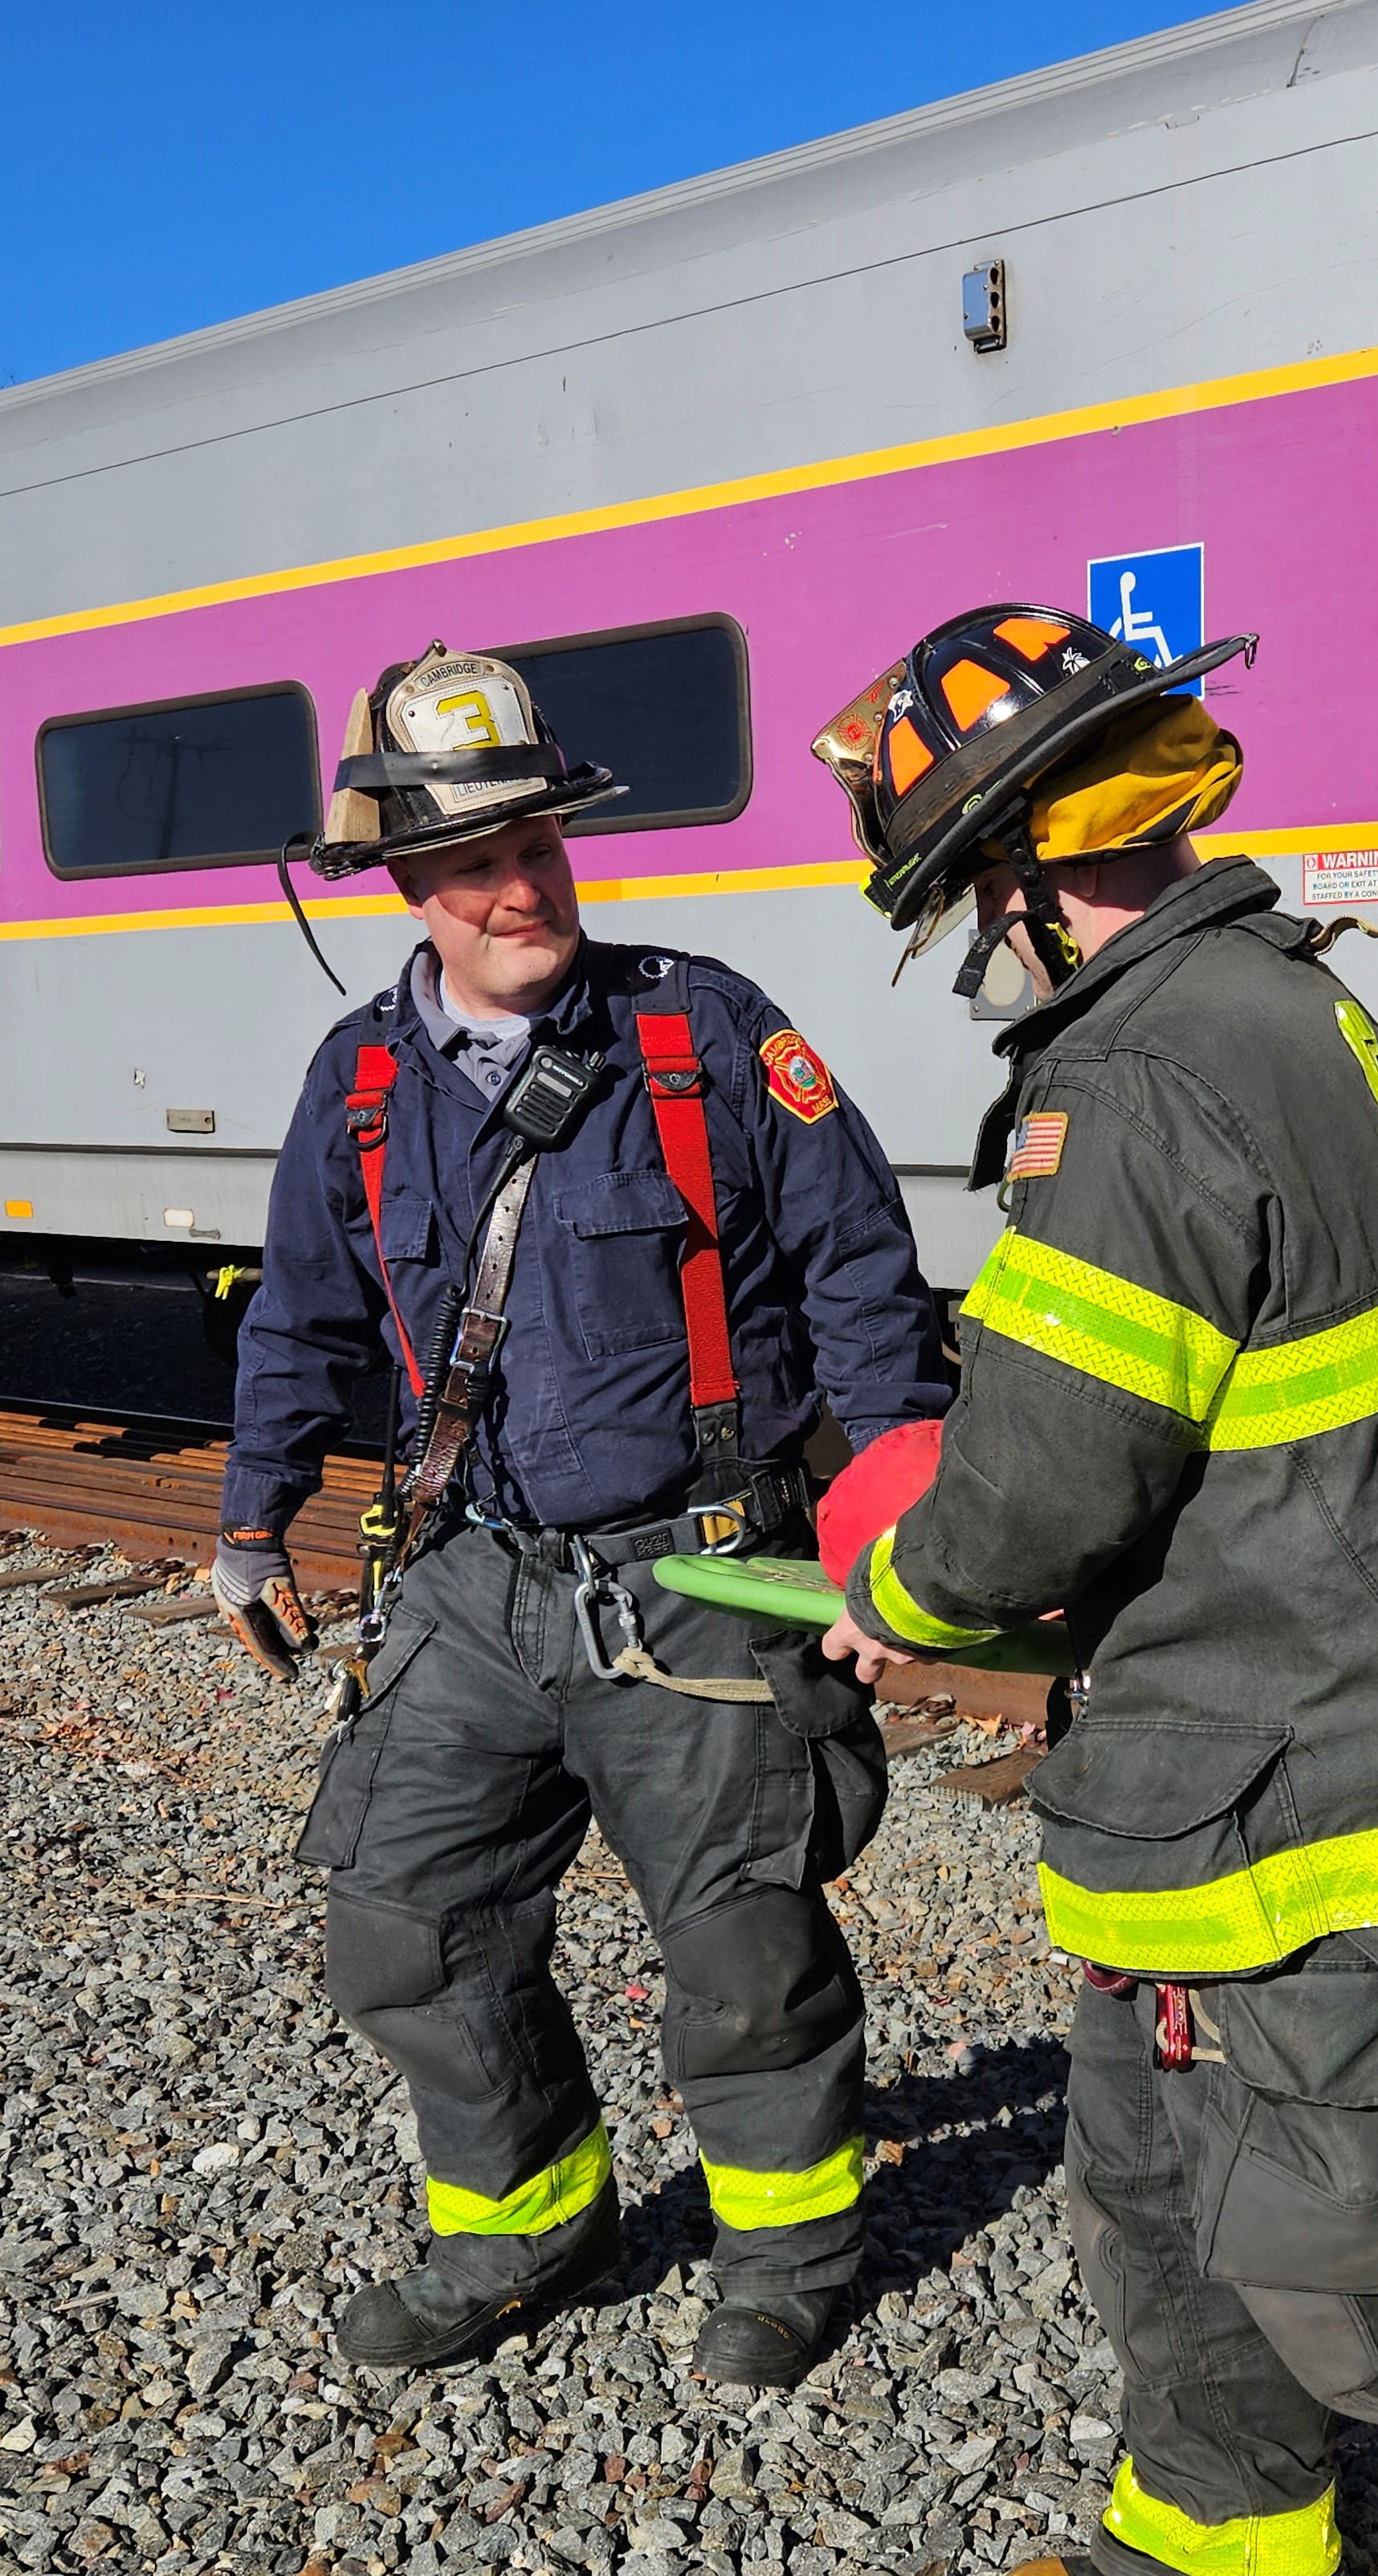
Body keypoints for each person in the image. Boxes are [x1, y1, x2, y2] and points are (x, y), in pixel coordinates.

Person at [807, 603, 1378, 2576]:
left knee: (1358, 2258)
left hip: (1329, 1791)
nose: (982, 944)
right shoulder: (1284, 1000)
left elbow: (1037, 1497)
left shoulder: (1137, 1079)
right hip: (1231, 1756)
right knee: (1155, 2194)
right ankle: (1215, 2530)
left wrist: (901, 1582)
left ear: (1021, 872)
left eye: (969, 898)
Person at [210, 643, 950, 2384]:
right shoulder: (359, 1078)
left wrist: (893, 1521)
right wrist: (254, 1515)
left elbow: (863, 1277)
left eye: (538, 846)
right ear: (409, 885)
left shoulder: (704, 1030)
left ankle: (788, 2251)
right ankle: (528, 2221)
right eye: (475, 862)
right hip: (470, 1584)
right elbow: (303, 1315)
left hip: (701, 1581)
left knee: (746, 1948)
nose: (520, 887)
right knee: (407, 1927)